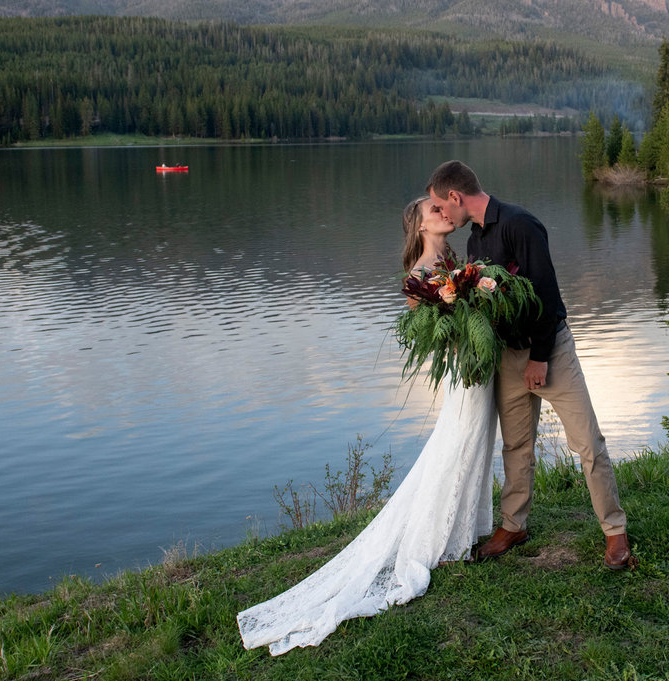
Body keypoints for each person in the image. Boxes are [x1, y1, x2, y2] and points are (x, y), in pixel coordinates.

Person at [236, 197, 498, 655]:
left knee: (472, 441)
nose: (443, 211)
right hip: (464, 368)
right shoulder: (421, 273)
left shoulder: (453, 260)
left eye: (443, 206)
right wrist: (464, 313)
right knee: (457, 442)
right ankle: (440, 540)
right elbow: (432, 332)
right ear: (419, 224)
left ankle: (466, 529)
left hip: (476, 363)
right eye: (434, 208)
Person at [426, 159, 632, 570]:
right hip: (506, 358)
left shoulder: (521, 224)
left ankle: (615, 534)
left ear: (456, 196)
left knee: (588, 443)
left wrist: (539, 358)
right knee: (516, 446)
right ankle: (513, 525)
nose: (442, 215)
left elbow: (547, 294)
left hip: (549, 350)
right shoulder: (474, 243)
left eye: (441, 206)